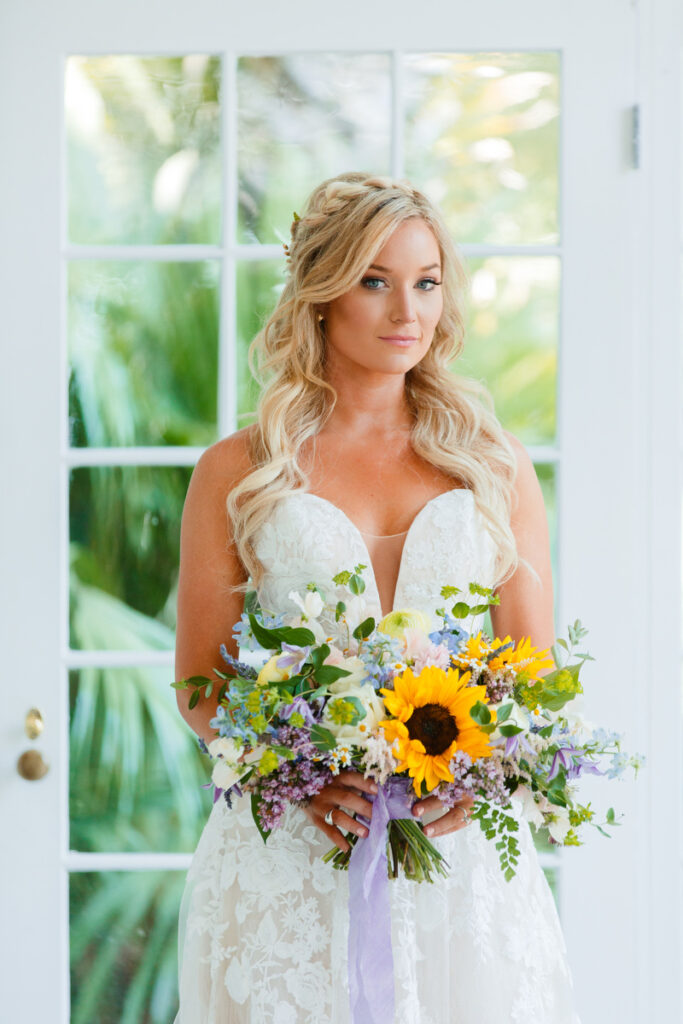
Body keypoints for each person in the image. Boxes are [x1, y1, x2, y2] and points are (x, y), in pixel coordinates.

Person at [174, 172, 580, 1023]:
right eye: (375, 280)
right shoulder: (238, 471)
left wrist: (481, 777)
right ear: (319, 295)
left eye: (426, 282)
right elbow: (200, 684)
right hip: (291, 853)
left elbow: (533, 669)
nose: (408, 311)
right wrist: (298, 775)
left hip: (455, 858)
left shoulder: (492, 464)